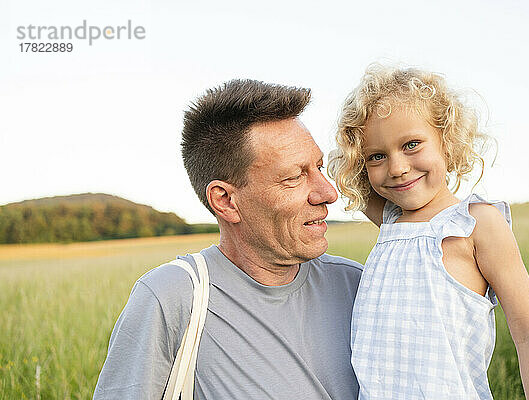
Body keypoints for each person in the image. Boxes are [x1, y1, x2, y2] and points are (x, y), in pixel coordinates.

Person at [93, 79, 362, 399]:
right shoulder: (172, 298)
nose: (328, 193)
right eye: (294, 177)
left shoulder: (357, 285)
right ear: (225, 201)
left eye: (318, 167)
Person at [328, 64, 529, 399]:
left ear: (447, 141)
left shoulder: (476, 223)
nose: (397, 168)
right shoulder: (391, 221)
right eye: (377, 155)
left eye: (411, 144)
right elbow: (340, 169)